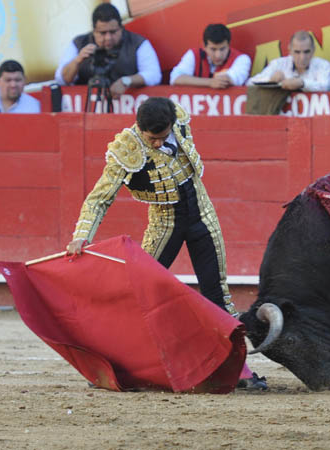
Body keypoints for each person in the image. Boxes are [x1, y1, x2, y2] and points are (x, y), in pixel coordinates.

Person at [66, 97, 267, 390]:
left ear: (172, 123)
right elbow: (100, 197)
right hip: (165, 223)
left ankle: (238, 371)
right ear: (140, 129)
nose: (158, 144)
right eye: (152, 139)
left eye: (162, 137)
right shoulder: (128, 148)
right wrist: (81, 235)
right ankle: (116, 368)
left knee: (218, 295)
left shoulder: (180, 120)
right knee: (138, 295)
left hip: (202, 214)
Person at [54, 3, 161, 97]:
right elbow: (61, 79)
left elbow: (154, 75)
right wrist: (77, 61)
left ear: (121, 28)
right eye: (102, 33)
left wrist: (126, 81)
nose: (108, 38)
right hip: (86, 108)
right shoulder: (78, 43)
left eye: (113, 32)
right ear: (94, 30)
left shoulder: (138, 43)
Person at [247, 30, 330, 91]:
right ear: (290, 50)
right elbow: (250, 82)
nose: (302, 57)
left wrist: (302, 83)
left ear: (313, 50)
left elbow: (326, 86)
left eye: (306, 52)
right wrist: (271, 80)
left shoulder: (324, 65)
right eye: (297, 52)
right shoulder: (278, 64)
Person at [170, 24, 251, 88]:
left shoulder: (242, 59)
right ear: (204, 47)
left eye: (222, 49)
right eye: (213, 49)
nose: (218, 55)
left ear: (229, 45)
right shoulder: (193, 54)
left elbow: (228, 79)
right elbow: (175, 78)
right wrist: (210, 82)